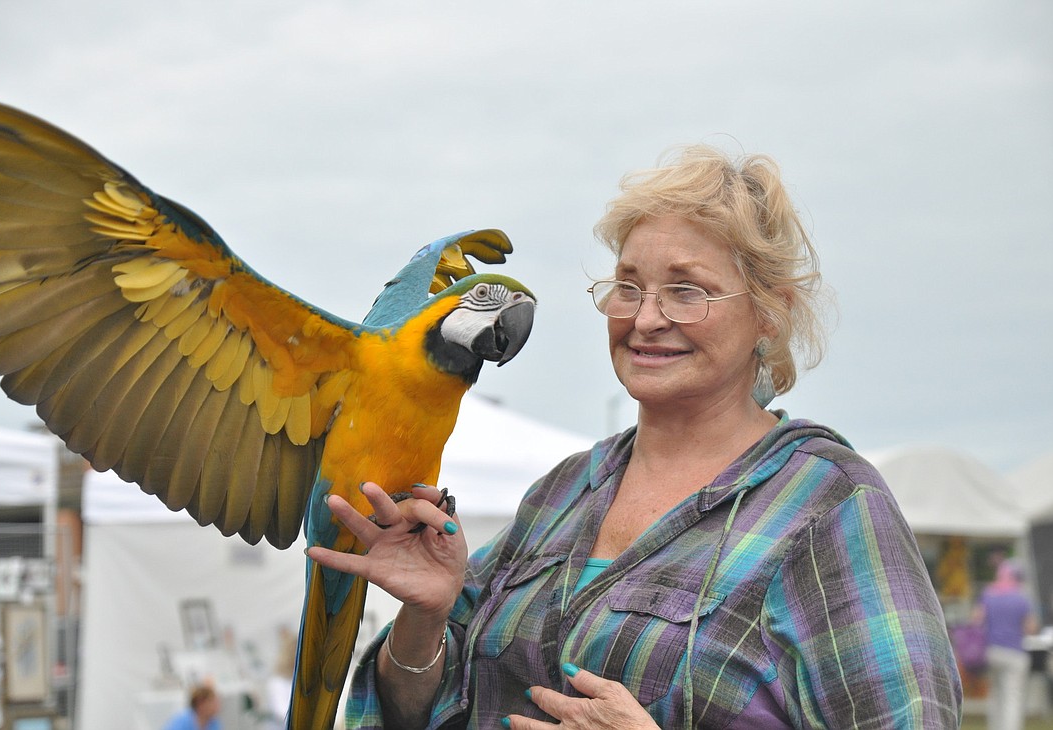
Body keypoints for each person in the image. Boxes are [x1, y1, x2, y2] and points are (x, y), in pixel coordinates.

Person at [307, 145, 963, 728]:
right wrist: (424, 624)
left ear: (769, 314)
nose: (646, 319)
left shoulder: (831, 509)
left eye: (686, 290)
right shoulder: (560, 496)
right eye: (628, 286)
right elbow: (418, 708)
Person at [973, 559, 1039, 730]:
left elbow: (977, 620)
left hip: (992, 651)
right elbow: (1031, 628)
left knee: (995, 694)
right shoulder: (1021, 598)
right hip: (1014, 653)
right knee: (1012, 698)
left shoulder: (988, 594)